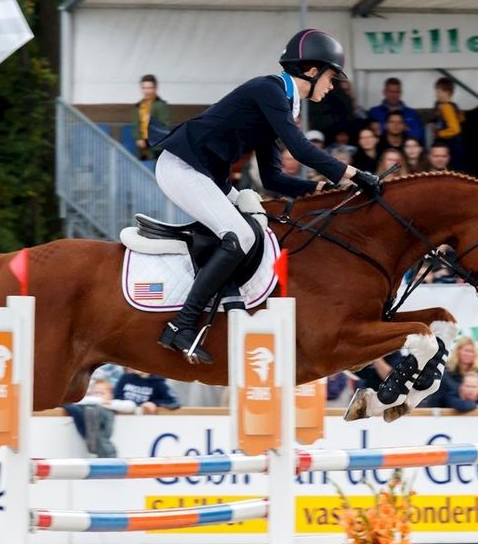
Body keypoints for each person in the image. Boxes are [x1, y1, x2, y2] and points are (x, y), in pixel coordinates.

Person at [147, 29, 381, 364]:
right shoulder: (268, 90)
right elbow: (300, 149)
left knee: (253, 217)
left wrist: (319, 190)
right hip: (182, 167)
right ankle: (182, 324)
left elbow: (272, 177)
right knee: (240, 234)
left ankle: (229, 297)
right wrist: (355, 174)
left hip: (205, 173)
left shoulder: (280, 102)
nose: (334, 86)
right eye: (331, 77)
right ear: (312, 71)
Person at [367, 77, 424, 143]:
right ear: (384, 92)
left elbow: (419, 135)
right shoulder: (374, 112)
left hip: (406, 147)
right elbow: (369, 134)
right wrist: (404, 128)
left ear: (401, 93)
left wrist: (402, 128)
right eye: (391, 92)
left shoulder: (412, 113)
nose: (393, 95)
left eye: (396, 92)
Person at [132, 74, 171, 161]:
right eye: (144, 88)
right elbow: (136, 124)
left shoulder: (161, 105)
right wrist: (138, 138)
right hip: (142, 145)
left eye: (149, 88)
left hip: (156, 145)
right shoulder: (138, 106)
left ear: (155, 88)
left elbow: (165, 125)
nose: (147, 91)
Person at [113, 368, 181, 413]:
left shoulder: (158, 383)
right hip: (123, 414)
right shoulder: (126, 377)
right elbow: (116, 396)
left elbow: (175, 403)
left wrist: (154, 403)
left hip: (145, 420)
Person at [431, 77, 464, 167]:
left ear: (447, 93)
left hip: (451, 146)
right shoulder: (454, 107)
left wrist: (440, 133)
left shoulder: (446, 107)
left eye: (438, 92)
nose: (436, 95)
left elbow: (455, 129)